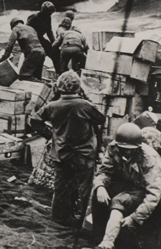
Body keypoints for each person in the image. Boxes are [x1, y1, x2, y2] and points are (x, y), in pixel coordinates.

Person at [30, 71, 105, 228]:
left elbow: (34, 120)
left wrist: (50, 135)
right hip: (84, 154)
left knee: (62, 187)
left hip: (61, 153)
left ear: (59, 87)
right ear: (78, 88)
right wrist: (85, 97)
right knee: (85, 187)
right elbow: (100, 118)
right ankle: (84, 219)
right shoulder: (85, 105)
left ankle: (60, 217)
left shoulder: (52, 106)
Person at [91, 123, 161, 249]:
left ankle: (108, 243)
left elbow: (154, 193)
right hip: (126, 185)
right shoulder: (113, 148)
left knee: (121, 200)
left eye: (131, 149)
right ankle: (97, 238)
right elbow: (104, 171)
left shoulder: (150, 159)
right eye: (124, 148)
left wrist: (135, 218)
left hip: (143, 191)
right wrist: (100, 186)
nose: (128, 151)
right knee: (98, 195)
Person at [0, 17, 46, 81]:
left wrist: (2, 58)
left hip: (33, 52)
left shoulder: (16, 29)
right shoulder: (31, 28)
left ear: (13, 25)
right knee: (36, 77)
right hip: (42, 52)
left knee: (23, 76)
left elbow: (10, 45)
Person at [27, 1, 58, 72]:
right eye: (48, 13)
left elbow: (49, 32)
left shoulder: (48, 18)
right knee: (38, 56)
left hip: (40, 37)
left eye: (51, 13)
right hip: (32, 39)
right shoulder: (34, 17)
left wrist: (54, 43)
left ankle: (58, 72)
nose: (50, 14)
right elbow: (26, 30)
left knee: (54, 54)